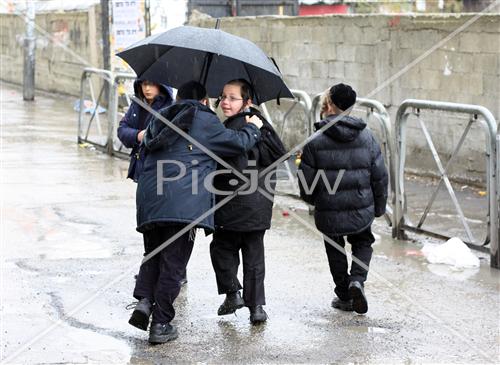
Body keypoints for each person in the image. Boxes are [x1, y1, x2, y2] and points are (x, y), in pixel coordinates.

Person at [128, 81, 263, 344]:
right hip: (182, 204)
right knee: (173, 263)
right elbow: (236, 143)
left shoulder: (159, 117)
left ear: (177, 97)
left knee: (153, 252)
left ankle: (144, 303)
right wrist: (253, 128)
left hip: (149, 199)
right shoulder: (204, 119)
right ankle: (161, 324)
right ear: (204, 101)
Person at [298, 83, 388, 314]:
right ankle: (357, 280)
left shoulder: (315, 140)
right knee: (363, 241)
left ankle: (344, 294)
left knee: (334, 246)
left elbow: (306, 182)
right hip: (361, 203)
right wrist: (379, 207)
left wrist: (313, 200)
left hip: (329, 206)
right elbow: (379, 176)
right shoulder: (367, 137)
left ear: (327, 105)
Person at [210, 79, 286, 324]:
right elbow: (278, 153)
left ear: (247, 101)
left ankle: (233, 293)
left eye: (232, 98)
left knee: (222, 249)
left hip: (232, 204)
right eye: (223, 97)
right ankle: (257, 307)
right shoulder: (263, 125)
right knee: (254, 256)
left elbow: (231, 168)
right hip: (258, 205)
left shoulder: (229, 129)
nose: (225, 102)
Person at [117, 79, 174, 182]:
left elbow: (164, 139)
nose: (147, 88)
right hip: (140, 164)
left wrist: (148, 137)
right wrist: (137, 135)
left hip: (158, 168)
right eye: (144, 84)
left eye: (152, 84)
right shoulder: (137, 104)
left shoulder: (169, 108)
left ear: (161, 86)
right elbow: (122, 130)